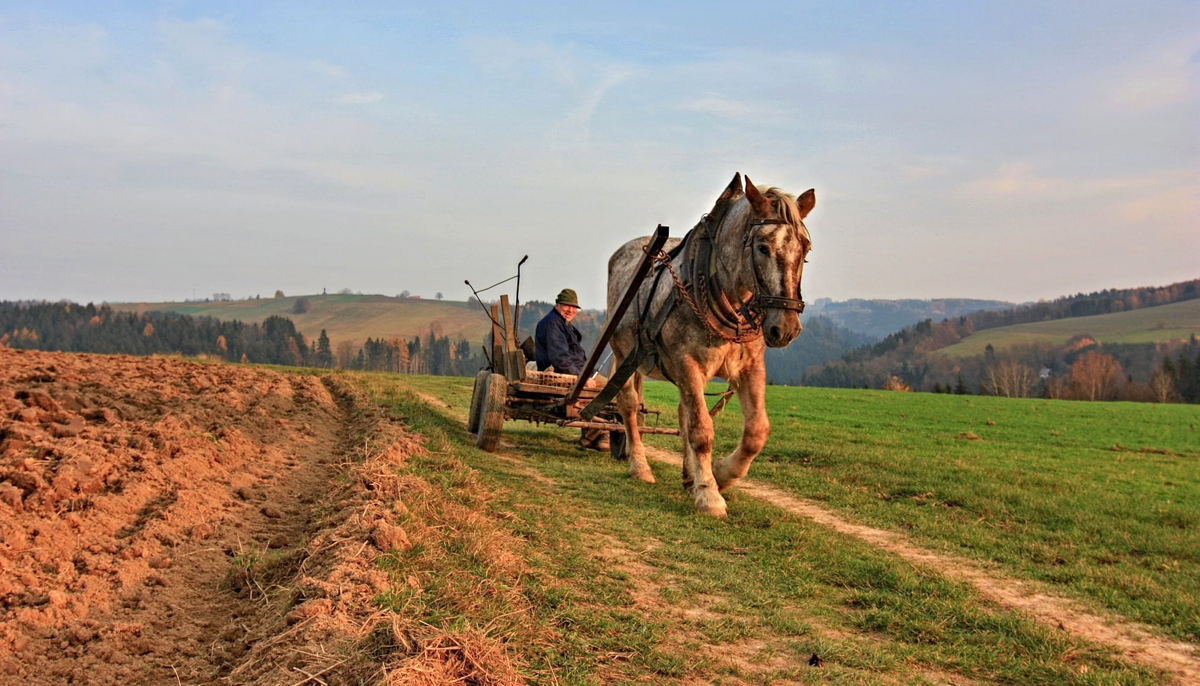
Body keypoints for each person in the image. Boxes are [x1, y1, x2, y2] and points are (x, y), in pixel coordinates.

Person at [535, 288, 608, 450]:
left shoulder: (561, 323)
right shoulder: (553, 323)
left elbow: (573, 355)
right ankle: (599, 433)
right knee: (607, 389)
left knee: (606, 385)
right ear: (557, 305)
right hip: (559, 373)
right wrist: (582, 378)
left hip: (574, 370)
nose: (571, 310)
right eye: (567, 306)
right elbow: (560, 359)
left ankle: (592, 436)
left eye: (574, 307)